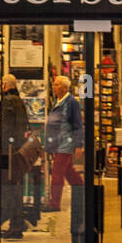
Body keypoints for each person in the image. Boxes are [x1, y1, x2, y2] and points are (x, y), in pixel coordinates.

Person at [0, 73, 29, 238]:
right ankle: (17, 222)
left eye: (1, 84)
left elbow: (7, 130)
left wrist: (4, 153)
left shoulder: (8, 102)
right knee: (11, 187)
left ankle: (15, 226)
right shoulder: (18, 101)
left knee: (3, 187)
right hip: (14, 151)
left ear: (4, 85)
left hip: (7, 152)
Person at [43, 74, 84, 212]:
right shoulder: (57, 101)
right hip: (57, 143)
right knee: (68, 171)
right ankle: (83, 192)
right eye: (54, 84)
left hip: (65, 143)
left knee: (57, 173)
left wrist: (79, 144)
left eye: (57, 84)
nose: (54, 87)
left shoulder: (72, 102)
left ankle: (54, 204)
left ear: (65, 87)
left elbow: (77, 124)